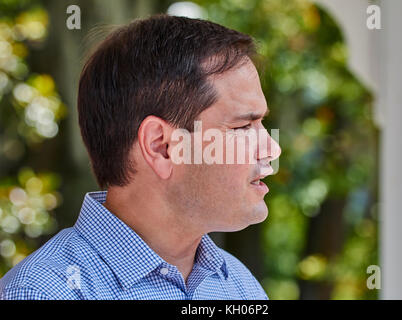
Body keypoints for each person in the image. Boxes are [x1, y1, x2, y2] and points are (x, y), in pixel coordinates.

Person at [0, 13, 281, 300]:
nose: (273, 148)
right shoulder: (42, 292)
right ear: (161, 146)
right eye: (243, 126)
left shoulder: (237, 284)